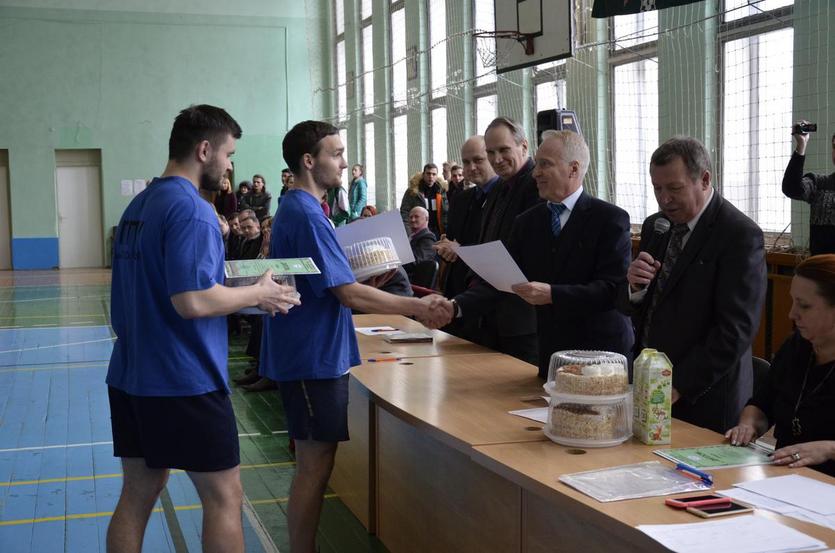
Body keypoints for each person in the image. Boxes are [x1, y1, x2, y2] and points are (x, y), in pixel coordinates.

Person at [106, 104, 299, 553]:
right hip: (183, 379)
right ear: (204, 149)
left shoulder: (141, 205)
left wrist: (236, 284)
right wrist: (259, 294)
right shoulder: (190, 209)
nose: (231, 166)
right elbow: (191, 300)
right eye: (229, 155)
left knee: (137, 494)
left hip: (132, 376)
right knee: (224, 497)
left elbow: (168, 284)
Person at [259, 120, 450, 553]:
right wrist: (420, 306)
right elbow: (343, 292)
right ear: (309, 161)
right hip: (311, 356)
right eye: (336, 153)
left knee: (317, 461)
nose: (344, 163)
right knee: (313, 464)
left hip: (313, 350)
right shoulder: (305, 212)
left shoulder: (305, 210)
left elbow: (330, 278)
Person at [446, 131, 633, 378]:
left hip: (600, 359)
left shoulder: (610, 219)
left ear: (573, 169)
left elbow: (612, 290)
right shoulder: (527, 222)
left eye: (545, 164)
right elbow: (501, 279)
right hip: (551, 357)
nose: (535, 172)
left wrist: (552, 294)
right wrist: (455, 306)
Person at [621, 136, 766, 433]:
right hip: (650, 382)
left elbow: (735, 329)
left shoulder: (739, 235)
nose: (664, 199)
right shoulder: (656, 226)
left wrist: (680, 385)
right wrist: (634, 289)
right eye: (657, 188)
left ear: (704, 179)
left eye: (674, 188)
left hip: (705, 395)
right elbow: (645, 308)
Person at [726, 254, 835, 477]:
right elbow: (762, 403)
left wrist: (829, 449)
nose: (791, 314)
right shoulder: (797, 346)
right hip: (783, 479)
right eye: (793, 301)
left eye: (803, 306)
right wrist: (748, 425)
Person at [450, 117, 542, 365]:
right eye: (491, 152)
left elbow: (529, 255)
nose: (497, 159)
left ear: (524, 146)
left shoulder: (537, 187)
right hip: (492, 314)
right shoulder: (499, 187)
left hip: (522, 319)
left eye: (504, 150)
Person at [781, 122, 835, 255]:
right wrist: (801, 145)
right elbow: (791, 188)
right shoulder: (818, 183)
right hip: (819, 271)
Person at [399, 164, 448, 238]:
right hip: (418, 232)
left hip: (438, 232)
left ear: (437, 176)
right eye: (428, 173)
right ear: (423, 174)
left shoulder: (441, 191)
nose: (431, 176)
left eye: (434, 174)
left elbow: (446, 212)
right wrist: (409, 233)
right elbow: (405, 213)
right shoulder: (413, 191)